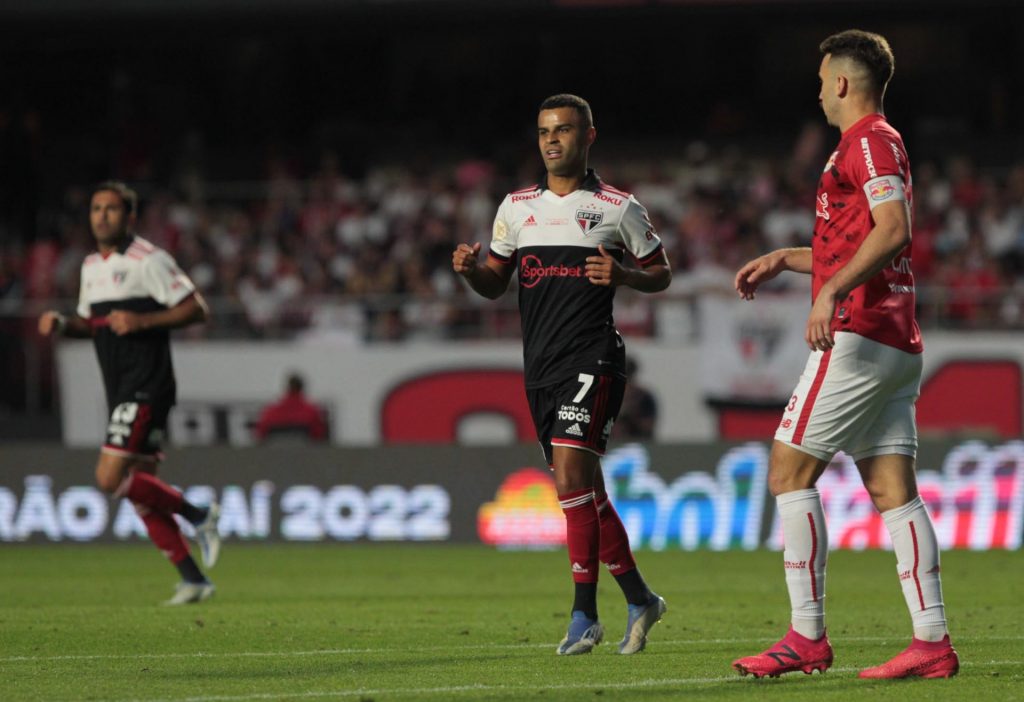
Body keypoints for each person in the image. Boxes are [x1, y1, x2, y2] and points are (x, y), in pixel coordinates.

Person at [730, 31, 958, 679]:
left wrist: (829, 290)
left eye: (821, 77)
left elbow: (895, 231)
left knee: (786, 473)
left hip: (859, 336)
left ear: (840, 83)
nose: (817, 88)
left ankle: (806, 636)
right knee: (893, 492)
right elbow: (867, 240)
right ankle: (932, 642)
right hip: (894, 341)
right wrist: (788, 261)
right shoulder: (871, 143)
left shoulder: (868, 141)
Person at [452, 94, 672, 655]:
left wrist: (623, 273)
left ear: (588, 136)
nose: (553, 140)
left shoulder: (618, 208)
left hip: (593, 356)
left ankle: (584, 614)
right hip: (540, 367)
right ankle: (641, 598)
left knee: (571, 478)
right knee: (587, 494)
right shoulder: (516, 207)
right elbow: (496, 284)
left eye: (565, 130)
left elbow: (660, 272)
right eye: (545, 131)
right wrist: (472, 271)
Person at [38, 181, 222, 606]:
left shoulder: (148, 260)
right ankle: (194, 578)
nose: (102, 216)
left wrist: (142, 322)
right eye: (96, 208)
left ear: (130, 217)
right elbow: (92, 322)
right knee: (139, 488)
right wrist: (64, 324)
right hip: (119, 385)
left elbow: (197, 307)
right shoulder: (90, 267)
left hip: (147, 382)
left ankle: (199, 515)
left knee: (110, 478)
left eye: (111, 209)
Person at [253, 372, 328, 442]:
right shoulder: (311, 411)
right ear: (301, 388)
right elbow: (319, 436)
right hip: (305, 454)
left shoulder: (270, 412)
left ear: (287, 388)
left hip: (274, 454)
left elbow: (260, 434)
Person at [614, 358, 658, 440]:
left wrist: (632, 414)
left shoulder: (643, 397)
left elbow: (648, 426)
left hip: (637, 441)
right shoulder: (611, 396)